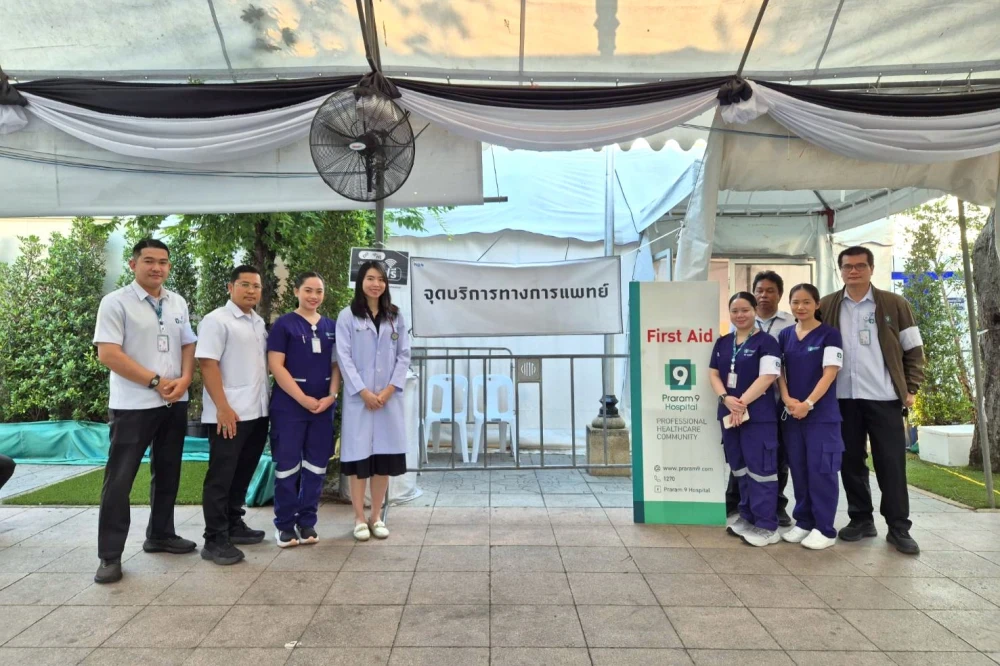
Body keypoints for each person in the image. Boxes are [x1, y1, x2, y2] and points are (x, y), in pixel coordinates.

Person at [92, 239, 198, 584]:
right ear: (133, 264)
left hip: (173, 402)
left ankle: (161, 534)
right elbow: (108, 354)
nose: (157, 268)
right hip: (133, 405)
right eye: (149, 261)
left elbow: (187, 342)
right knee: (119, 481)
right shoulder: (116, 303)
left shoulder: (177, 301)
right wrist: (155, 381)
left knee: (168, 473)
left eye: (163, 262)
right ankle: (110, 555)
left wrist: (184, 379)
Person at [820, 246, 925, 554]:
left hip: (884, 396)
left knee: (890, 463)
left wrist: (912, 387)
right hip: (841, 398)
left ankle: (898, 527)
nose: (854, 271)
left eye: (860, 266)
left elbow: (914, 350)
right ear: (840, 270)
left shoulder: (893, 304)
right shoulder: (827, 305)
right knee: (849, 461)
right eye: (848, 266)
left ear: (871, 269)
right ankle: (860, 519)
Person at [195, 265, 270, 565]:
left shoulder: (258, 322)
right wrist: (223, 408)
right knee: (221, 477)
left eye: (256, 286)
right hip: (228, 415)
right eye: (245, 285)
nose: (251, 290)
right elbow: (207, 364)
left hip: (257, 411)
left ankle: (234, 523)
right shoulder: (216, 321)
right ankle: (214, 539)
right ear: (230, 287)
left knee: (242, 473)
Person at [336, 261, 412, 541]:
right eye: (370, 278)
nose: (376, 284)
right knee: (359, 461)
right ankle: (358, 517)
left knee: (383, 460)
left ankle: (376, 516)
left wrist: (390, 389)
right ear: (361, 282)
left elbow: (404, 355)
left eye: (380, 279)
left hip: (387, 400)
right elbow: (343, 357)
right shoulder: (348, 316)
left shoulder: (396, 316)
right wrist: (363, 392)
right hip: (361, 400)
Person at [267, 272, 341, 548]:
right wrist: (302, 399)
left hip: (322, 406)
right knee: (287, 465)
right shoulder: (284, 325)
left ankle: (307, 521)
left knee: (316, 464)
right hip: (290, 406)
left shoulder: (331, 327)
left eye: (319, 291)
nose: (313, 296)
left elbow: (336, 366)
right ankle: (284, 524)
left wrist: (331, 396)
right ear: (296, 291)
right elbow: (276, 366)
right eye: (308, 290)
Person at [709, 292, 782, 547]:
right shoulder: (723, 342)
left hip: (757, 417)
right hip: (729, 414)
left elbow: (769, 375)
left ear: (754, 311)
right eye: (735, 311)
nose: (740, 315)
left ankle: (767, 525)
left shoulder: (767, 342)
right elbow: (714, 373)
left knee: (761, 470)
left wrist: (741, 403)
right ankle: (747, 516)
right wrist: (725, 399)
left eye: (745, 310)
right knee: (739, 468)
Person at [726, 270, 796, 526]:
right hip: (745, 401)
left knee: (776, 455)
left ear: (779, 294)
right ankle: (737, 501)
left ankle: (776, 505)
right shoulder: (742, 326)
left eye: (770, 291)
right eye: (759, 291)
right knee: (742, 454)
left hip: (779, 400)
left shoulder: (790, 324)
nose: (764, 295)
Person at [778, 284, 844, 550]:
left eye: (806, 302)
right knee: (799, 469)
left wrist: (808, 403)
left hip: (821, 416)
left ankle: (825, 528)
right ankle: (804, 521)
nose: (800, 307)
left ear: (817, 304)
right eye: (795, 302)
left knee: (822, 470)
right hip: (792, 415)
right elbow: (778, 371)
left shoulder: (829, 335)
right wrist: (786, 399)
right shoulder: (784, 335)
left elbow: (830, 372)